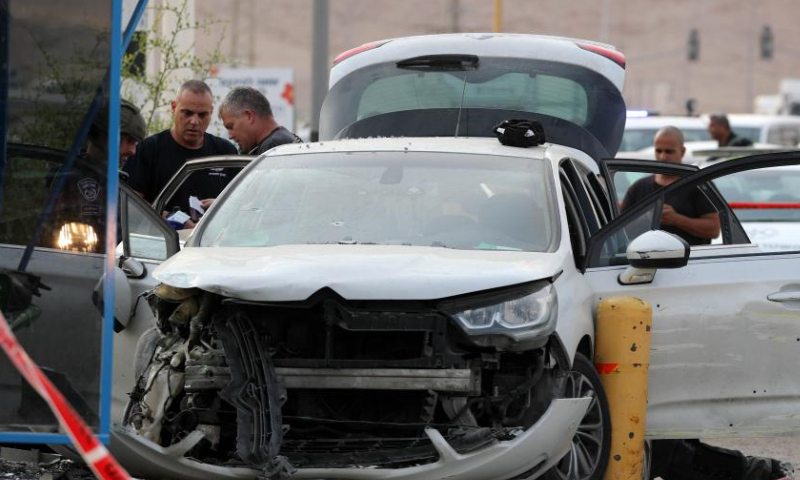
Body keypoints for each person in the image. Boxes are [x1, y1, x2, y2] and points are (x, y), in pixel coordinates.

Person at [122, 79, 237, 216]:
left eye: (202, 115)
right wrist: (173, 219)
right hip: (160, 231)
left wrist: (222, 206)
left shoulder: (226, 153)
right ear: (173, 108)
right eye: (187, 113)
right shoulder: (148, 149)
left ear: (211, 112)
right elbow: (129, 205)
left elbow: (244, 205)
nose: (194, 121)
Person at [48, 98, 147, 253]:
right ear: (105, 136)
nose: (132, 151)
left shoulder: (114, 180)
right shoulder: (70, 178)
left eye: (135, 143)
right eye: (129, 141)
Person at [621, 126, 721, 245]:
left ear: (682, 151)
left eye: (669, 151)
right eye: (658, 151)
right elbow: (620, 230)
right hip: (645, 256)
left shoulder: (699, 185)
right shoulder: (638, 187)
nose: (663, 157)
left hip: (691, 256)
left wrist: (676, 219)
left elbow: (714, 229)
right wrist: (648, 217)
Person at [218, 86, 301, 155]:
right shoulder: (284, 140)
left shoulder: (272, 148)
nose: (230, 136)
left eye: (231, 126)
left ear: (249, 116)